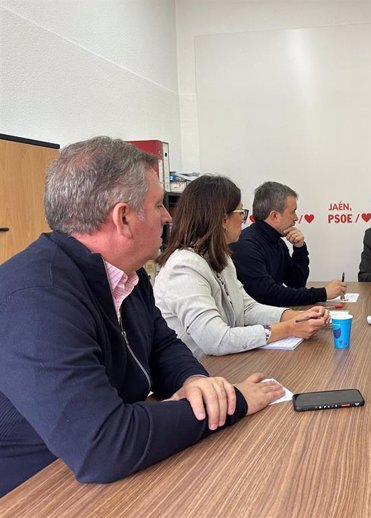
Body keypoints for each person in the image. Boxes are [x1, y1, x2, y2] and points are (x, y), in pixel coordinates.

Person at [0, 137, 284, 496]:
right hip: (34, 490)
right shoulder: (35, 298)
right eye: (157, 205)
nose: (168, 216)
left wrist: (196, 381)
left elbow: (162, 344)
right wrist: (234, 402)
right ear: (123, 218)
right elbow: (103, 444)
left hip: (94, 472)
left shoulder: (128, 275)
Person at [154, 175, 329, 358]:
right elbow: (217, 340)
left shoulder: (222, 258)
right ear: (223, 219)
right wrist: (289, 328)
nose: (243, 220)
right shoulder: (184, 268)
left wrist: (297, 316)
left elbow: (246, 308)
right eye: (240, 213)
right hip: (195, 374)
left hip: (220, 365)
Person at [231, 181, 347, 306]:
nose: (296, 218)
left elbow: (296, 283)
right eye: (293, 211)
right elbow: (268, 295)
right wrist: (323, 293)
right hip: (256, 323)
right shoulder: (245, 245)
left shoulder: (278, 242)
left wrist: (299, 248)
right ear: (275, 216)